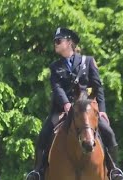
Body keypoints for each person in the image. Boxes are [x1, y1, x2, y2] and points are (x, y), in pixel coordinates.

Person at [26, 27, 123, 179]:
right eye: (54, 41)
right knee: (44, 134)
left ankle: (114, 169)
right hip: (62, 110)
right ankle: (38, 170)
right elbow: (57, 88)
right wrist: (66, 104)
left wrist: (102, 110)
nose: (55, 44)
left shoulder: (88, 62)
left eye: (58, 41)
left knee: (108, 133)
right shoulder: (55, 67)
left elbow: (98, 87)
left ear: (69, 42)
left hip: (87, 110)